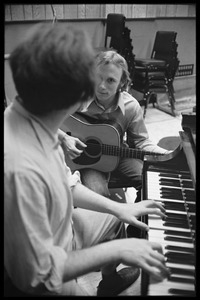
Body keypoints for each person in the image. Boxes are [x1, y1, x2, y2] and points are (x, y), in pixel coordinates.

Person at [4, 22, 169, 297]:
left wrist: (119, 209)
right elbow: (36, 277)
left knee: (115, 216)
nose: (99, 88)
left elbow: (67, 185)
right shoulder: (20, 167)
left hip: (64, 229)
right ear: (80, 96)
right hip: (48, 281)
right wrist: (119, 248)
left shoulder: (40, 124)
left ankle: (110, 280)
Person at [59, 50, 171, 237]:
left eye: (110, 80)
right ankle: (108, 246)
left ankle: (137, 231)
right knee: (100, 198)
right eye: (97, 78)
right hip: (86, 161)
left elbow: (141, 142)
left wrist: (167, 153)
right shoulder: (77, 98)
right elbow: (41, 120)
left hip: (119, 155)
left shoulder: (130, 106)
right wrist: (64, 138)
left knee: (149, 177)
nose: (102, 86)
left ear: (122, 83)